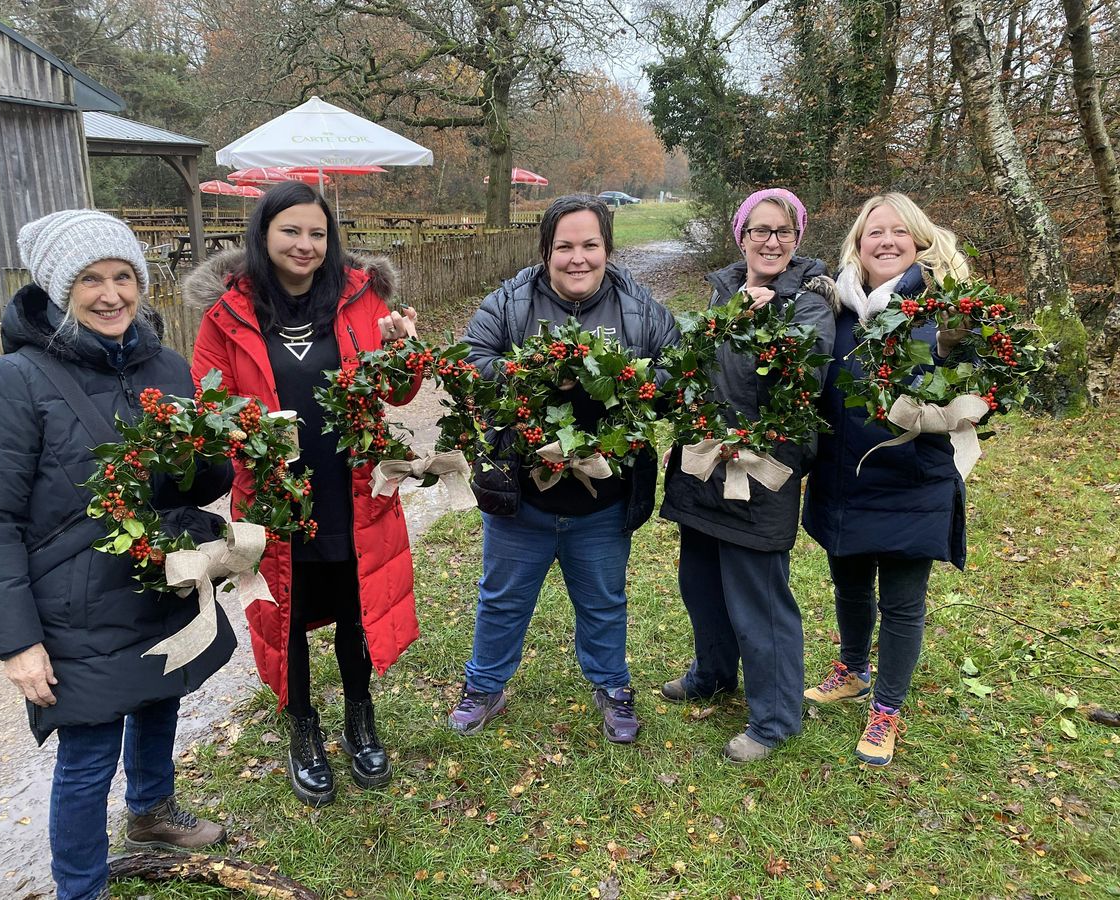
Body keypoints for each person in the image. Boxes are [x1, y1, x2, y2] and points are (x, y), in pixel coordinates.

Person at [0, 209, 236, 900]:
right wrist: (16, 643)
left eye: (123, 277)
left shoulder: (166, 366)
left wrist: (214, 449)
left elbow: (196, 484)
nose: (111, 294)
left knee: (162, 695)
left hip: (156, 580)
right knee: (87, 754)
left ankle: (151, 812)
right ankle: (81, 888)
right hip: (71, 603)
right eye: (90, 279)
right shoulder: (14, 382)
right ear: (58, 288)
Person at [185, 181, 420, 807]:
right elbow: (209, 404)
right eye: (292, 230)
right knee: (285, 616)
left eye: (318, 233)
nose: (305, 244)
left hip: (352, 490)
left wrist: (405, 351)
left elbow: (395, 395)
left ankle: (360, 719)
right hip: (275, 498)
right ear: (264, 234)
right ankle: (303, 729)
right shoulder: (224, 317)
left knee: (353, 607)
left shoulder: (363, 300)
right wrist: (249, 438)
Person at [450, 193, 678, 743]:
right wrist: (534, 371)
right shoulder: (510, 301)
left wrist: (623, 378)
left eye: (591, 245)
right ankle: (485, 685)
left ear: (607, 248)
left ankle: (612, 685)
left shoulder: (640, 308)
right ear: (545, 250)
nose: (579, 258)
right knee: (502, 597)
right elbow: (471, 360)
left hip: (603, 496)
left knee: (603, 599)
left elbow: (673, 371)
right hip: (521, 493)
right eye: (565, 246)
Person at [660, 188, 836, 763]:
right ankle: (712, 672)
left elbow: (806, 374)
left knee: (759, 598)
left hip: (760, 471)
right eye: (759, 230)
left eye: (783, 231)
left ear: (797, 239)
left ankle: (776, 715)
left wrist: (768, 332)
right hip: (704, 463)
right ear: (741, 237)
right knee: (701, 584)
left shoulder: (808, 303)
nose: (770, 241)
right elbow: (691, 365)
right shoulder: (721, 292)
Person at [801, 192, 972, 766]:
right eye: (875, 232)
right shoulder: (839, 310)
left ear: (920, 241)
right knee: (849, 584)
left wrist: (955, 363)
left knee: (902, 602)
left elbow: (982, 393)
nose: (887, 241)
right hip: (844, 474)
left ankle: (887, 708)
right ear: (858, 242)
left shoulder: (944, 310)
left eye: (899, 231)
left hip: (912, 478)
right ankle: (851, 668)